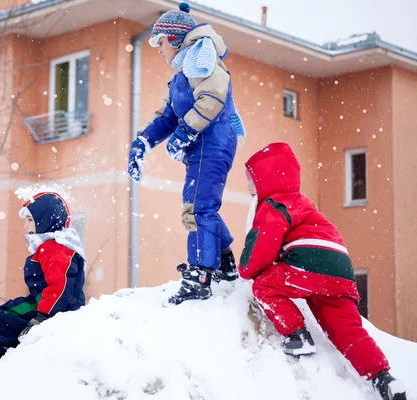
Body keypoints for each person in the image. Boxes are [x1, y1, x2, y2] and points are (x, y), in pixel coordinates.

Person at [239, 142, 406, 400]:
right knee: (346, 328)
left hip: (309, 261)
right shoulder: (305, 204)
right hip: (339, 267)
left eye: (251, 179)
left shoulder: (273, 204)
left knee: (264, 286)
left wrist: (247, 268)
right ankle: (383, 378)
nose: (248, 186)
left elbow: (263, 242)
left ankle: (298, 335)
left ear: (266, 180)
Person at [127, 2, 246, 305]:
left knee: (196, 208)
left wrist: (185, 133)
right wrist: (142, 141)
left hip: (213, 141)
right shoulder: (183, 71)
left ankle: (200, 276)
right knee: (202, 205)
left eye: (162, 42)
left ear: (175, 38)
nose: (159, 49)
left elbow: (212, 98)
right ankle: (226, 265)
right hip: (203, 143)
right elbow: (168, 116)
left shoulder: (203, 60)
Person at [0, 192, 86, 365]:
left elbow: (60, 287)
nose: (25, 227)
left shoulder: (55, 248)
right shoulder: (54, 246)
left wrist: (42, 316)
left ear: (45, 219)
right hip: (43, 304)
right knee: (3, 316)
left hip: (47, 307)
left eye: (30, 220)